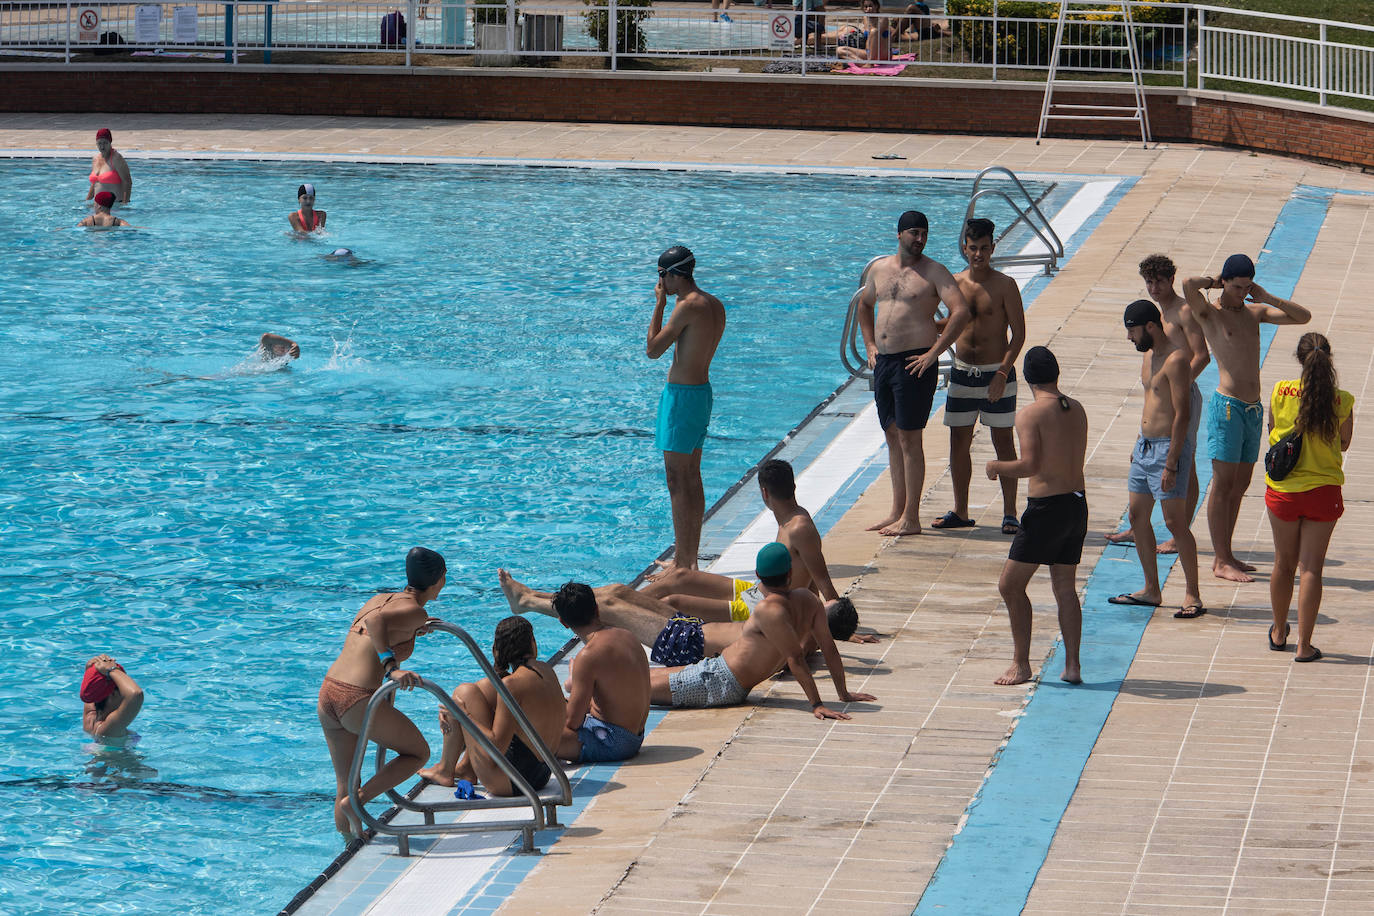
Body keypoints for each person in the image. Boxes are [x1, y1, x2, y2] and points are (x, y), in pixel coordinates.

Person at [643, 459, 874, 643]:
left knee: (674, 601)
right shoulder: (787, 519)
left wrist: (839, 629)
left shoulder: (800, 528)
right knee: (680, 576)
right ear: (793, 486)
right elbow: (811, 579)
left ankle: (623, 616)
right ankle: (616, 602)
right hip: (756, 591)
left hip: (761, 607)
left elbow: (823, 583)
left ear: (765, 493)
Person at [1183, 255, 1311, 582]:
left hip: (1253, 409)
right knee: (1223, 485)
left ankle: (1228, 554)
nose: (1242, 292)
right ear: (1226, 281)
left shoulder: (1255, 313)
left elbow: (1302, 317)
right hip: (1228, 407)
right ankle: (1220, 559)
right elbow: (1187, 285)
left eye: (1246, 287)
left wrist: (1265, 296)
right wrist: (1217, 281)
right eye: (1237, 286)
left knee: (1240, 485)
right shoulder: (1209, 314)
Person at [651, 543, 876, 716]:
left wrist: (816, 704)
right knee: (640, 678)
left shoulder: (769, 609)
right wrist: (843, 693)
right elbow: (829, 649)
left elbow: (795, 658)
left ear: (758, 576)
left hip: (718, 683)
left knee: (634, 688)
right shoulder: (809, 600)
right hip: (713, 669)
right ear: (789, 574)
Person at [857, 210, 972, 535]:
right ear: (900, 234)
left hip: (915, 362)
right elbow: (865, 306)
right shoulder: (880, 269)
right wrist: (868, 344)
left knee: (910, 438)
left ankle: (911, 517)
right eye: (914, 233)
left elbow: (960, 311)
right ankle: (897, 510)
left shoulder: (934, 271)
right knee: (892, 436)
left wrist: (934, 352)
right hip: (885, 363)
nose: (920, 239)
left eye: (924, 234)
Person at [318, 547, 445, 839]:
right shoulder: (414, 610)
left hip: (329, 692)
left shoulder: (379, 599)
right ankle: (359, 802)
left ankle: (349, 846)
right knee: (418, 753)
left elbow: (374, 626)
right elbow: (377, 625)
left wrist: (414, 629)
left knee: (346, 783)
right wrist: (392, 668)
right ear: (440, 579)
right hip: (357, 697)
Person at [985, 347, 1088, 686]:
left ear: (1027, 379)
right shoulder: (1077, 409)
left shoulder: (1030, 414)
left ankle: (1021, 664)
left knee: (1010, 585)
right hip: (1076, 505)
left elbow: (1030, 465)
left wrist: (996, 466)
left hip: (1047, 510)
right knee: (1065, 589)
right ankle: (1072, 666)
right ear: (1056, 374)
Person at [500, 570, 869, 661]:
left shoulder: (801, 640)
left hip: (691, 647)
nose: (817, 605)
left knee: (607, 608)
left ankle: (530, 602)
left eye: (823, 609)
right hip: (694, 630)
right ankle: (534, 596)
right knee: (618, 592)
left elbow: (797, 656)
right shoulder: (798, 621)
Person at [1105, 254, 1209, 553]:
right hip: (1164, 393)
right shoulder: (1155, 314)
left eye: (1159, 281)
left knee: (1184, 462)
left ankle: (1180, 533)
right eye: (1149, 282)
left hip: (1183, 391)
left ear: (1171, 280)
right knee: (1150, 461)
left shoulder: (1183, 312)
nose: (1153, 287)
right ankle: (1139, 526)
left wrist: (1180, 383)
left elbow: (1202, 355)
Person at [1109, 300, 1204, 619]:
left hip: (1168, 449)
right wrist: (1139, 441)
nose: (1129, 338)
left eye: (1132, 331)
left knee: (1175, 523)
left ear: (1150, 327)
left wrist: (1172, 462)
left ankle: (1193, 593)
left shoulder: (1177, 359)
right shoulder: (1148, 357)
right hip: (1146, 446)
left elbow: (1182, 414)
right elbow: (1152, 403)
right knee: (1137, 518)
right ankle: (1151, 589)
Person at [932, 218, 1025, 533]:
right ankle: (960, 510)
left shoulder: (1005, 285)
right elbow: (952, 324)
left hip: (995, 373)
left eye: (984, 248)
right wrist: (921, 325)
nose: (979, 254)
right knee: (958, 442)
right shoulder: (955, 283)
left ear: (993, 247)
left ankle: (1011, 513)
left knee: (1003, 442)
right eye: (973, 248)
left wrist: (1002, 372)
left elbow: (1019, 335)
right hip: (962, 374)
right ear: (964, 248)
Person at [1264, 333, 1353, 663]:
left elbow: (1272, 429)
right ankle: (1304, 645)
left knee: (1282, 564)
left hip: (1284, 491)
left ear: (1299, 359)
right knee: (1311, 569)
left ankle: (1277, 630)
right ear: (1328, 360)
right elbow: (1343, 444)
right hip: (1323, 492)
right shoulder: (1342, 400)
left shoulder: (1279, 391)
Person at [417, 617, 567, 794]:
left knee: (463, 693)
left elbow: (497, 746)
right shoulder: (545, 669)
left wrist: (462, 715)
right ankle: (465, 767)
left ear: (497, 649)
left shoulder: (512, 685)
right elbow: (488, 687)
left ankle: (444, 770)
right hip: (543, 774)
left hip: (515, 782)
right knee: (475, 690)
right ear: (532, 643)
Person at [647, 246, 726, 571]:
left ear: (673, 274)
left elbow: (653, 349)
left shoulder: (687, 305)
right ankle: (688, 561)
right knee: (691, 477)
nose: (660, 282)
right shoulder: (714, 304)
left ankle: (682, 564)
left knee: (677, 480)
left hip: (681, 398)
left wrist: (659, 304)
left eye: (661, 275)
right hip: (701, 394)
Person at [542, 582, 652, 763]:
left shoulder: (588, 656)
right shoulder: (627, 635)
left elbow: (572, 722)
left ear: (563, 623)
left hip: (613, 741)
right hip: (635, 735)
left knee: (534, 732)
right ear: (597, 609)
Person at [81, 654, 145, 743]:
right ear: (112, 694)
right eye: (122, 690)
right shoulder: (109, 729)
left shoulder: (90, 718)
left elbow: (90, 691)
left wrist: (91, 670)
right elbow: (135, 694)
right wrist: (112, 669)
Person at [86, 128, 131, 206]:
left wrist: (125, 204)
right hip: (97, 206)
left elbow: (127, 182)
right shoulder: (95, 159)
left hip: (114, 206)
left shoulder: (116, 158)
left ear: (110, 142)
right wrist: (87, 201)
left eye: (105, 143)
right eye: (99, 143)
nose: (102, 147)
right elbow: (94, 184)